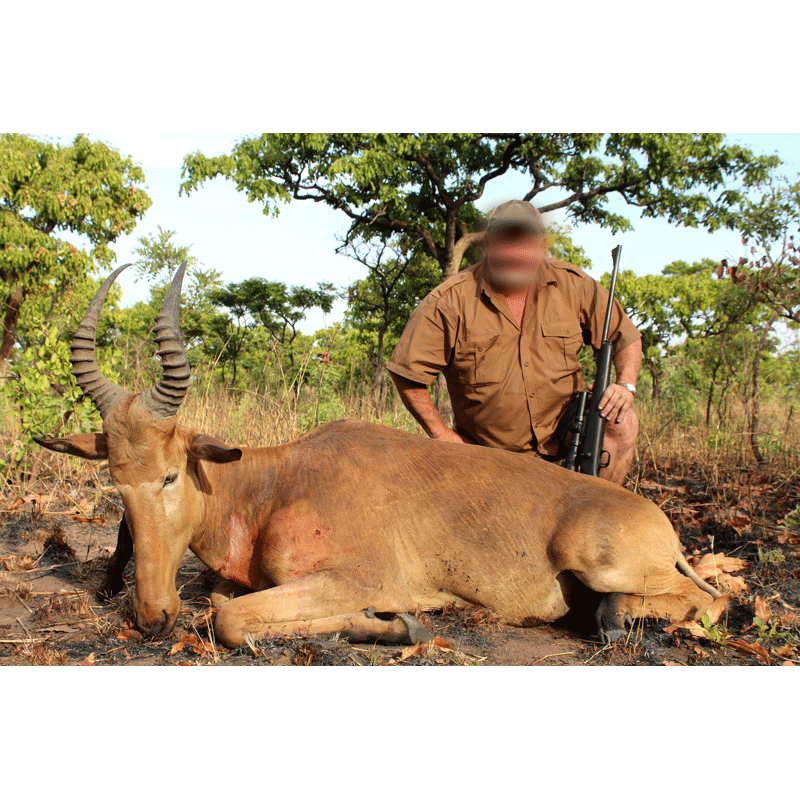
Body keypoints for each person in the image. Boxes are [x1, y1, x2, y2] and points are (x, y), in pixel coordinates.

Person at [386, 200, 642, 486]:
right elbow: (406, 371)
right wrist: (440, 433)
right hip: (488, 452)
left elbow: (625, 338)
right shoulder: (449, 300)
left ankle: (599, 509)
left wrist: (625, 385)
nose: (516, 254)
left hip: (566, 434)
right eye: (506, 242)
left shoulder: (575, 285)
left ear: (542, 245)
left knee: (622, 420)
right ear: (489, 243)